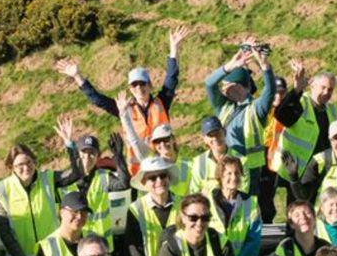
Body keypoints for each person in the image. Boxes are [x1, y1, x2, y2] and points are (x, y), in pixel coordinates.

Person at [55, 26, 187, 167]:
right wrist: (77, 76)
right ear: (130, 89)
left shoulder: (162, 102)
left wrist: (174, 49)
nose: (139, 88)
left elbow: (171, 78)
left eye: (142, 84)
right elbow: (98, 100)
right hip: (139, 168)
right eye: (134, 85)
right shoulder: (125, 108)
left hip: (165, 161)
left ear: (150, 86)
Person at [0, 134, 80, 256]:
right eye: (19, 165)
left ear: (35, 162)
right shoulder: (2, 190)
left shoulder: (48, 179)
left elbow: (76, 173)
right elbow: (6, 235)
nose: (25, 168)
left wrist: (70, 145)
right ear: (11, 167)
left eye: (29, 162)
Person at [205, 37, 276, 195]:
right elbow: (209, 83)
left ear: (238, 86)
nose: (223, 90)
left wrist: (265, 67)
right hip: (226, 169)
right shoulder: (224, 106)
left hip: (250, 172)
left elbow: (270, 91)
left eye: (226, 85)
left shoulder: (256, 108)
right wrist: (229, 67)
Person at [271, 59, 337, 196]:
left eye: (330, 89)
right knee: (298, 212)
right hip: (297, 171)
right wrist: (296, 90)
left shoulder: (331, 109)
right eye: (323, 87)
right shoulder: (302, 102)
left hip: (320, 171)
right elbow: (281, 115)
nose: (326, 92)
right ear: (312, 85)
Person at [123, 156, 180, 256]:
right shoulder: (135, 210)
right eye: (152, 178)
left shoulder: (183, 204)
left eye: (162, 175)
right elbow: (136, 254)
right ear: (144, 183)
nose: (159, 181)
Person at [208, 155, 263, 256]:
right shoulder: (207, 201)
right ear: (220, 176)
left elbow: (254, 241)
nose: (234, 177)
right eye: (229, 173)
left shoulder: (251, 203)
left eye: (237, 173)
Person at [69, 132, 131, 238]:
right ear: (77, 154)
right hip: (77, 242)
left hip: (102, 242)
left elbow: (124, 184)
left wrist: (119, 156)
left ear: (98, 156)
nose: (87, 157)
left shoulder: (103, 176)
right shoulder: (67, 179)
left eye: (92, 153)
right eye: (83, 152)